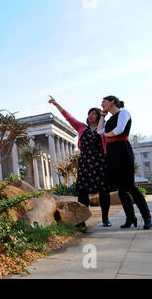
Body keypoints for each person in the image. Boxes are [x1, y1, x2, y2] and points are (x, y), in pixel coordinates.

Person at [48, 95, 111, 227]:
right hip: (85, 162)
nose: (91, 115)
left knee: (103, 190)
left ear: (99, 117)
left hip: (100, 162)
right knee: (83, 191)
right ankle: (81, 220)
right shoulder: (82, 127)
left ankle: (105, 218)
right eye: (89, 113)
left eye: (94, 113)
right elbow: (68, 117)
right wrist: (56, 104)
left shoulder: (104, 128)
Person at [98, 95, 152, 229]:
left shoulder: (124, 112)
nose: (102, 104)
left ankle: (148, 217)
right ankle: (130, 217)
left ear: (112, 102)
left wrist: (105, 134)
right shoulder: (110, 118)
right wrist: (102, 115)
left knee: (130, 186)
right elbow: (100, 130)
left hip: (123, 149)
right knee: (121, 189)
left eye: (104, 102)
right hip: (112, 152)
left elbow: (119, 130)